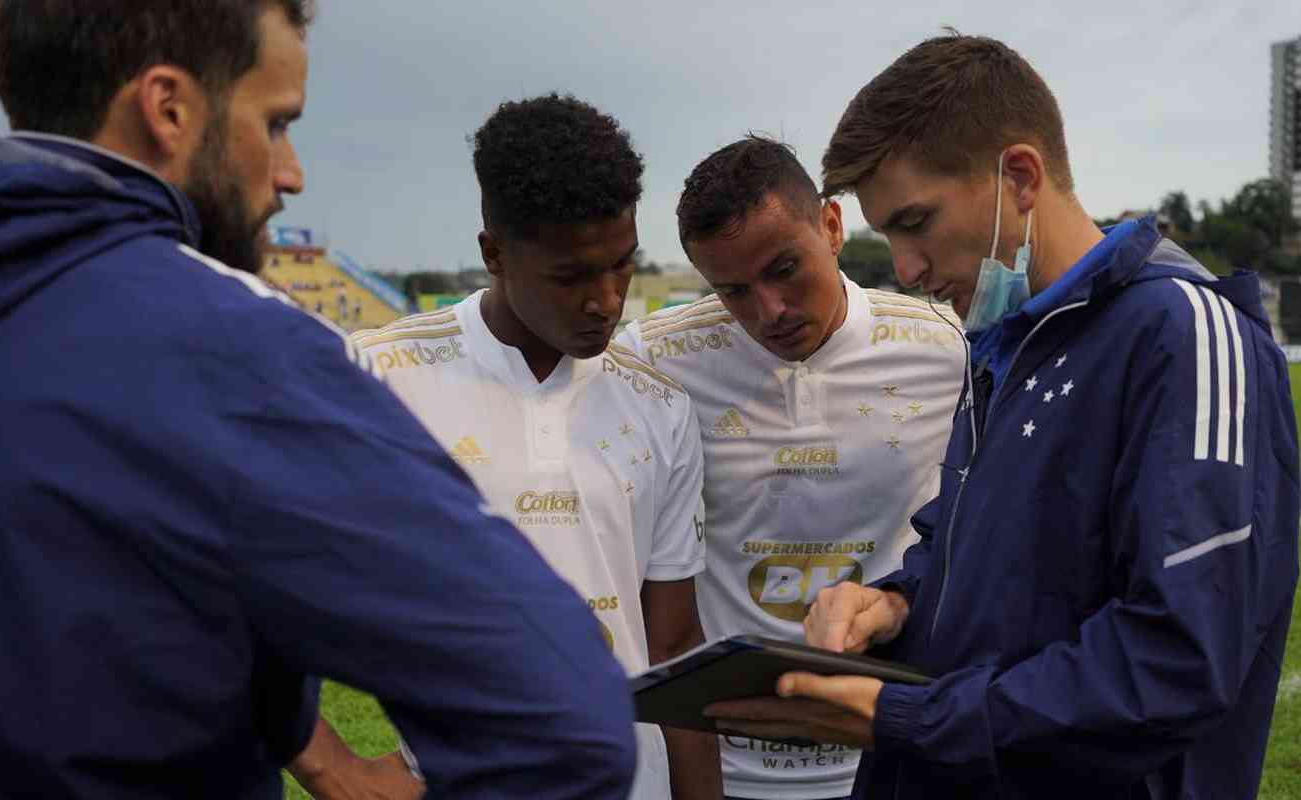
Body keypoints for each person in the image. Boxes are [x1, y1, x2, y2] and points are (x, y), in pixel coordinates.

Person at [0, 3, 636, 798]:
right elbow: (566, 722)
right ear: (169, 110)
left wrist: (312, 745)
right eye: (274, 125)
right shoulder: (233, 349)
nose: (292, 171)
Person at [705, 33, 1301, 800]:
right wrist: (894, 601)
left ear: (1020, 175)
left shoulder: (1183, 333)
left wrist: (912, 718)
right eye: (888, 235)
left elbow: (1175, 658)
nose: (908, 269)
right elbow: (977, 555)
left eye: (915, 222)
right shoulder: (1003, 343)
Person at [345, 93, 722, 800]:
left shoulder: (659, 405)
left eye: (621, 266)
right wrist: (335, 768)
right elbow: (254, 589)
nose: (607, 300)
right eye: (572, 275)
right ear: (494, 254)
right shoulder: (380, 378)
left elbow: (675, 651)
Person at [617, 135, 966, 800]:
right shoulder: (653, 358)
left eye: (784, 270)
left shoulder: (938, 347)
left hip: (886, 750)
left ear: (832, 226)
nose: (767, 312)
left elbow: (967, 532)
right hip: (722, 760)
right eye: (733, 291)